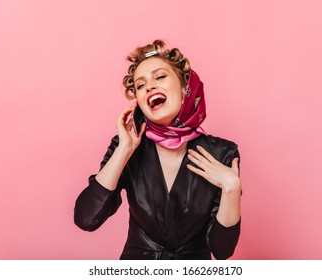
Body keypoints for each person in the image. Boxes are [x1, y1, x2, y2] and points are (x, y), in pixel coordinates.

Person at [74, 40, 242, 260]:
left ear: (185, 87)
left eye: (160, 76)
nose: (150, 86)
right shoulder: (126, 147)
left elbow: (222, 251)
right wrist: (124, 149)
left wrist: (231, 188)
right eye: (140, 85)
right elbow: (86, 219)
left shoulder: (223, 153)